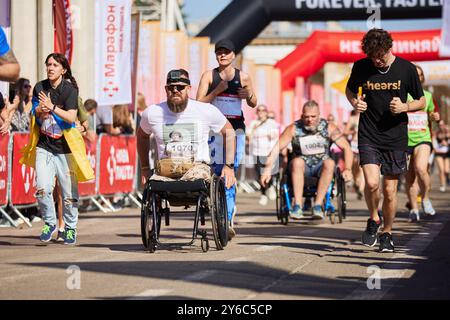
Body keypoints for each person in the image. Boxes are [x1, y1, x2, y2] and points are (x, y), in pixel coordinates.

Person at [346, 28, 425, 253]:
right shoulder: (361, 66)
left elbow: (421, 101)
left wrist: (404, 107)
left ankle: (387, 233)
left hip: (395, 137)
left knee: (389, 191)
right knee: (371, 183)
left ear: (389, 48)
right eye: (373, 57)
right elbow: (349, 90)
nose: (377, 61)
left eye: (380, 56)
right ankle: (374, 218)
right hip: (369, 134)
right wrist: (355, 103)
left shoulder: (406, 69)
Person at [137, 69, 237, 235]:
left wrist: (229, 166)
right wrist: (145, 168)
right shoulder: (152, 112)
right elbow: (141, 136)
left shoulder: (205, 110)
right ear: (165, 89)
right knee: (153, 184)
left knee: (196, 178)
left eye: (180, 87)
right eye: (171, 87)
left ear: (188, 88)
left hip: (196, 167)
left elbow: (230, 132)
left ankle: (223, 222)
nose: (175, 90)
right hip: (167, 169)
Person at [19, 53, 94, 245]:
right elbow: (34, 110)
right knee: (43, 188)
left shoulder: (69, 90)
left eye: (54, 65)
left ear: (63, 69)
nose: (50, 68)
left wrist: (51, 107)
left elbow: (70, 117)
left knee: (68, 194)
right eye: (48, 65)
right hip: (44, 146)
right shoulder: (39, 87)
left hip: (66, 149)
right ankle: (50, 223)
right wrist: (40, 110)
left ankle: (69, 227)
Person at [196, 39, 257, 235]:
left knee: (229, 171)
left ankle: (227, 218)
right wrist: (216, 91)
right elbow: (198, 104)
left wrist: (247, 95)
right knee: (213, 170)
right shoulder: (209, 75)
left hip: (236, 130)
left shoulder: (244, 76)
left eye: (226, 52)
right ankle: (212, 203)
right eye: (219, 52)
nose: (222, 55)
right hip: (214, 130)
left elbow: (254, 102)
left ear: (233, 55)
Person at [261, 100, 353, 220]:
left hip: (322, 166)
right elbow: (276, 149)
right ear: (302, 115)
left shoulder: (329, 127)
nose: (310, 119)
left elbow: (346, 147)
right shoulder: (293, 128)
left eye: (313, 116)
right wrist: (267, 170)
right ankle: (297, 206)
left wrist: (348, 169)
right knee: (297, 162)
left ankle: (318, 206)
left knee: (330, 162)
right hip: (300, 167)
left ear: (319, 114)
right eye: (306, 116)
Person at [404, 64, 440, 221]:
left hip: (423, 138)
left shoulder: (427, 96)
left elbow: (433, 116)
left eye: (419, 75)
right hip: (404, 141)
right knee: (410, 178)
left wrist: (434, 117)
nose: (417, 78)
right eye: (414, 75)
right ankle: (414, 208)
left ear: (422, 78)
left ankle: (425, 198)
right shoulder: (402, 95)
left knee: (421, 168)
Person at [247, 105, 279, 205]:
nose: (261, 112)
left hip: (268, 152)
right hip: (257, 152)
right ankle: (264, 193)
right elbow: (248, 137)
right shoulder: (253, 123)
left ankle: (269, 187)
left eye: (263, 110)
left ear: (266, 112)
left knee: (269, 172)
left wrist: (270, 135)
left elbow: (275, 136)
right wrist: (253, 130)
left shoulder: (271, 123)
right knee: (260, 174)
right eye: (259, 110)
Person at [344, 110, 364, 200]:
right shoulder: (352, 119)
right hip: (354, 144)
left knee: (362, 167)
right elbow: (345, 131)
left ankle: (361, 188)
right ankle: (356, 182)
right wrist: (352, 132)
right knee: (355, 166)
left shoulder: (367, 116)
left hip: (364, 144)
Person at [434, 120, 450, 192]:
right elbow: (434, 143)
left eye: (442, 125)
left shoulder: (448, 132)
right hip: (439, 153)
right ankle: (442, 185)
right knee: (441, 170)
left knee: (446, 170)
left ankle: (447, 178)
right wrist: (440, 145)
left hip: (447, 153)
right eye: (440, 125)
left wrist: (447, 143)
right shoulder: (436, 133)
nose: (441, 126)